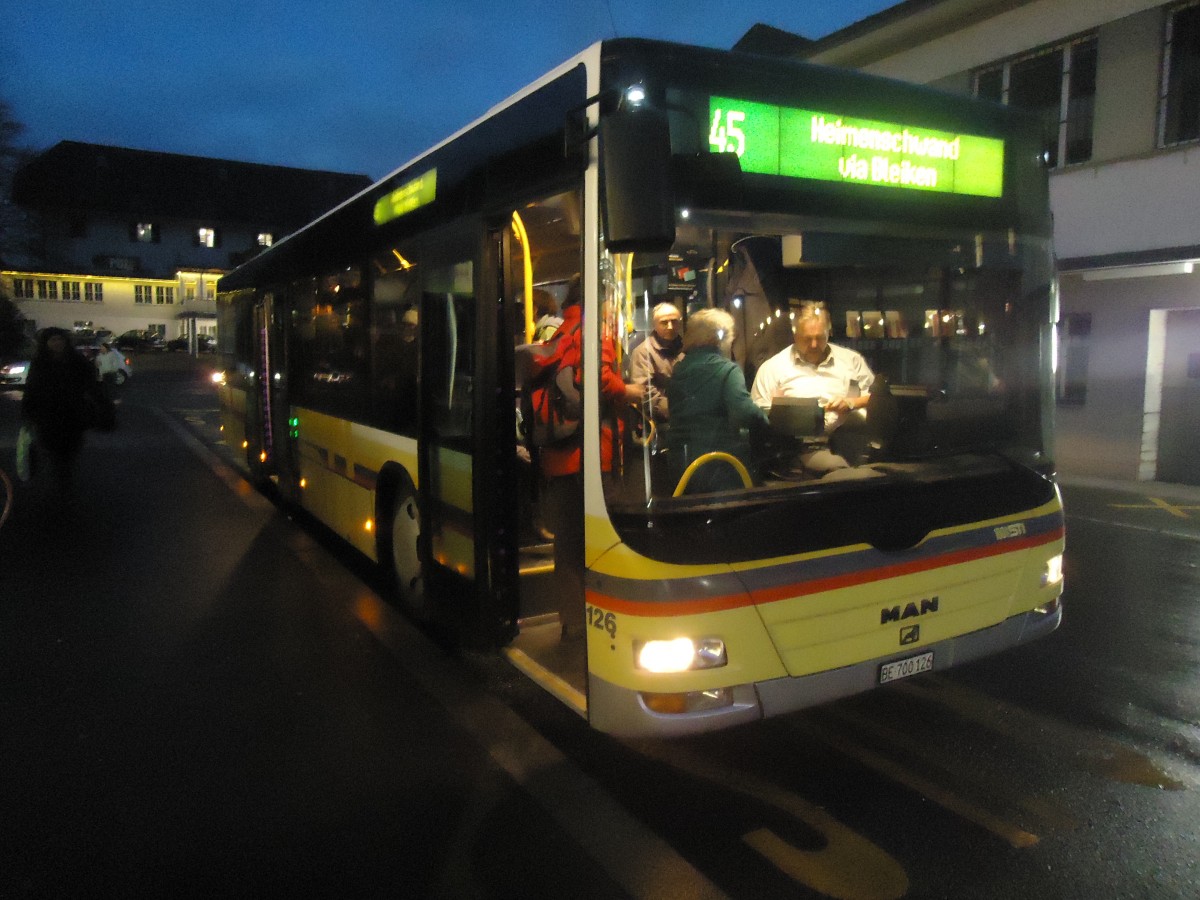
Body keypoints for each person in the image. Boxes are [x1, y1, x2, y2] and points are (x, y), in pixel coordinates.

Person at [529, 276, 643, 640]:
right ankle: (611, 618)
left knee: (567, 541)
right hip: (592, 453)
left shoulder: (558, 331)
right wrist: (631, 390)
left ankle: (572, 620)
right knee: (608, 537)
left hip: (558, 453)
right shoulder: (595, 331)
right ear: (602, 300)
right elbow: (602, 378)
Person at [751, 307, 874, 474]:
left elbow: (874, 397)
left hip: (849, 439)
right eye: (807, 339)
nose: (814, 345)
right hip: (800, 446)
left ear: (828, 333)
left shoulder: (851, 361)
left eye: (819, 338)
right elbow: (758, 413)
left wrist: (851, 402)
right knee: (842, 473)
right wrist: (785, 410)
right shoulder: (773, 368)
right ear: (795, 336)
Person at [667, 308, 767, 494]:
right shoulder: (727, 370)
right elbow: (743, 413)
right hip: (720, 465)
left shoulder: (679, 369)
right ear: (720, 339)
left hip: (681, 463)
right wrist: (768, 420)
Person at [20, 327, 103, 491]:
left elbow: (91, 383)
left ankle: (64, 484)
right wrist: (28, 413)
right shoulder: (40, 363)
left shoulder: (76, 360)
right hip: (47, 418)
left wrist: (99, 404)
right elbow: (31, 389)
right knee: (53, 454)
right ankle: (59, 485)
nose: (57, 343)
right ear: (46, 343)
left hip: (72, 416)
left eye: (60, 339)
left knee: (69, 453)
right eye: (53, 340)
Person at [628, 302, 683, 419]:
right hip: (662, 422)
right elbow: (645, 394)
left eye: (674, 321)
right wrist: (680, 410)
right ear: (655, 324)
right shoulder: (643, 352)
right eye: (664, 322)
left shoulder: (687, 348)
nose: (670, 326)